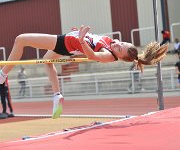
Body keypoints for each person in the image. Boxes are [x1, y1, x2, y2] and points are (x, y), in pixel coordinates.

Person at [0, 25, 169, 119]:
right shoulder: (112, 44)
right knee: (47, 61)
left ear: (119, 56)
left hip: (64, 42)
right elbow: (92, 41)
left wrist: (81, 40)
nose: (117, 44)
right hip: (69, 42)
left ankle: (2, 75)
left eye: (119, 48)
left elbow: (93, 55)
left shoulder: (108, 55)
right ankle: (56, 94)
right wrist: (79, 35)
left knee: (20, 39)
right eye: (121, 43)